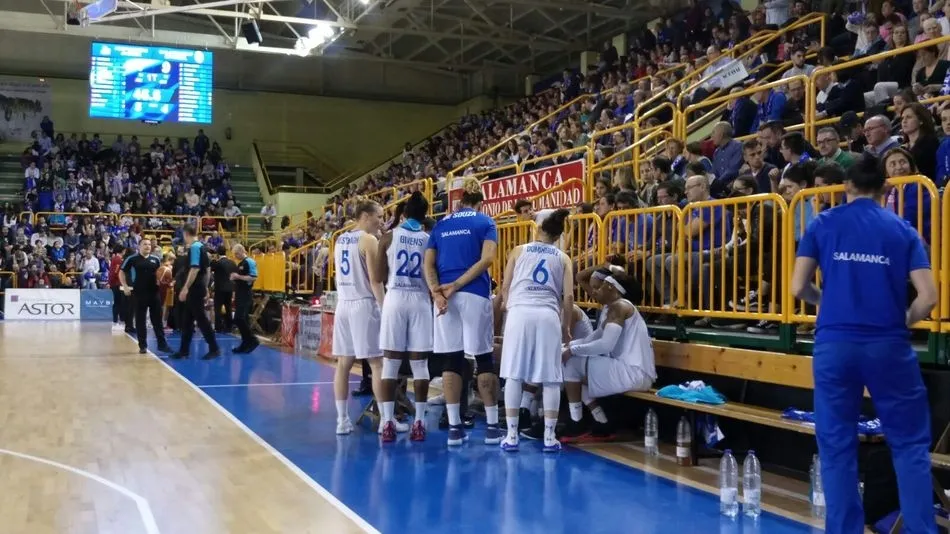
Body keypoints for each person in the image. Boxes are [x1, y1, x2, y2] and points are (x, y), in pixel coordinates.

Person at [790, 155, 937, 534]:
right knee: (909, 446)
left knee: (837, 448)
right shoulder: (902, 230)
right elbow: (928, 297)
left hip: (835, 344)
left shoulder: (822, 223)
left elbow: (797, 287)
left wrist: (827, 300)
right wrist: (901, 320)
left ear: (847, 187)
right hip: (888, 345)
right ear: (885, 189)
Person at [423, 177, 499, 447]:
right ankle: (491, 428)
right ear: (480, 202)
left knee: (451, 360)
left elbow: (428, 263)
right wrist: (456, 285)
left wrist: (437, 292)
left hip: (444, 298)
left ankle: (454, 429)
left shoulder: (442, 224)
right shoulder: (485, 222)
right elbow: (488, 259)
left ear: (459, 200)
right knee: (484, 359)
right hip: (474, 293)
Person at [498, 208, 574, 452]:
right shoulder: (563, 257)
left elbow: (505, 287)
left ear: (538, 229)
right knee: (551, 377)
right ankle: (550, 438)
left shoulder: (519, 250)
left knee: (514, 374)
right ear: (558, 235)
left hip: (520, 312)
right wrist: (566, 328)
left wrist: (509, 309)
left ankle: (511, 436)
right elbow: (569, 297)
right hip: (548, 314)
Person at [561, 268, 656, 443]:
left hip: (633, 372)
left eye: (601, 286)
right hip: (630, 370)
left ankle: (577, 422)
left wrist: (571, 351)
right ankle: (601, 421)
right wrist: (568, 346)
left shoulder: (620, 306)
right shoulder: (614, 308)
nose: (596, 291)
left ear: (612, 288)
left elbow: (606, 344)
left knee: (571, 363)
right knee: (572, 365)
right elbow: (593, 337)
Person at [376, 192, 432, 443]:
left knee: (390, 363)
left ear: (404, 213)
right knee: (420, 365)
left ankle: (387, 422)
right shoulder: (429, 240)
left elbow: (378, 275)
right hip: (420, 300)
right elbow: (433, 276)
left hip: (395, 297)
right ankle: (419, 422)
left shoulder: (388, 237)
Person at [332, 200, 386, 435]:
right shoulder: (368, 239)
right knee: (377, 364)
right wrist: (385, 308)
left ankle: (342, 420)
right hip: (363, 304)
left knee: (343, 364)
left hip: (343, 303)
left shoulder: (340, 239)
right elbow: (375, 280)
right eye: (379, 217)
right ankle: (386, 421)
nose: (381, 222)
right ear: (365, 216)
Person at [171, 225, 221, 360]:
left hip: (194, 288)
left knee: (201, 319)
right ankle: (183, 350)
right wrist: (205, 286)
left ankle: (214, 348)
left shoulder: (194, 247)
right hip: (199, 286)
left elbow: (195, 269)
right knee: (187, 320)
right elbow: (208, 269)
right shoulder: (202, 246)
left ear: (185, 233)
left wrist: (186, 287)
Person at [119, 239, 172, 355]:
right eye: (145, 244)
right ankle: (142, 345)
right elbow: (121, 272)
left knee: (157, 320)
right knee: (140, 320)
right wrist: (125, 286)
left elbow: (160, 275)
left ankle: (162, 345)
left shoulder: (156, 259)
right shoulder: (132, 259)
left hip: (154, 293)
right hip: (139, 293)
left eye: (149, 244)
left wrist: (165, 281)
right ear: (139, 246)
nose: (148, 246)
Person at [229, 244, 259, 353]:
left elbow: (254, 277)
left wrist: (238, 277)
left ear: (242, 251)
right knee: (243, 319)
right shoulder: (240, 263)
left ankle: (252, 339)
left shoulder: (249, 261)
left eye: (237, 253)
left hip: (246, 294)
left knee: (239, 318)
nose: (236, 256)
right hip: (239, 293)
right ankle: (245, 342)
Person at [210, 245, 237, 333]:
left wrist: (213, 259)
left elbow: (211, 267)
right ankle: (229, 326)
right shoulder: (232, 263)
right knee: (228, 307)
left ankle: (218, 327)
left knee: (217, 308)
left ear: (218, 253)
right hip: (230, 289)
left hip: (220, 289)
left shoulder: (217, 263)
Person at [108, 245, 126, 332]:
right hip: (116, 284)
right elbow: (115, 272)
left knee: (119, 303)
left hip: (115, 283)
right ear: (122, 251)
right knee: (118, 303)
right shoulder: (118, 259)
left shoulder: (115, 259)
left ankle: (118, 321)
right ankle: (115, 322)